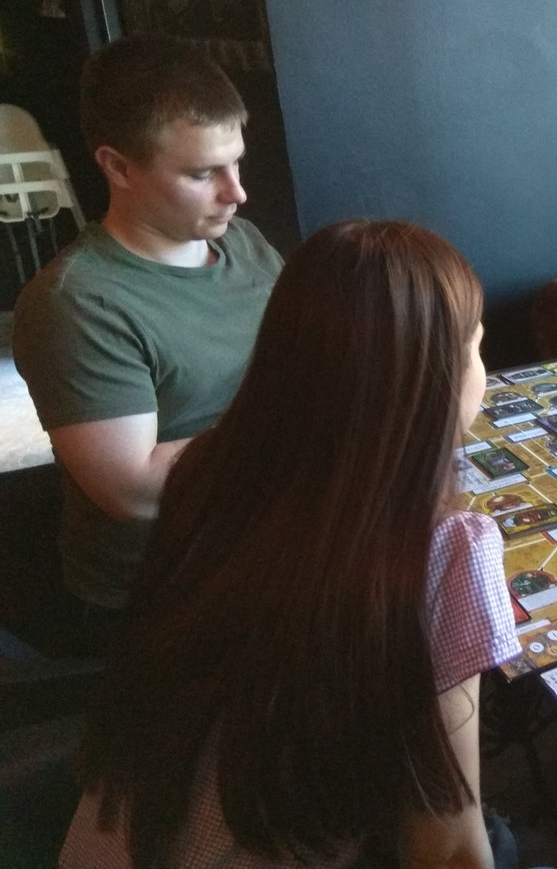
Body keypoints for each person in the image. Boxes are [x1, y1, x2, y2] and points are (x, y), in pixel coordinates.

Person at [60, 220, 521, 869]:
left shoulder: (206, 468)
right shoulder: (448, 548)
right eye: (476, 347)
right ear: (434, 375)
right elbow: (446, 847)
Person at [13, 35, 283, 636]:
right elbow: (132, 491)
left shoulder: (242, 243)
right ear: (118, 166)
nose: (236, 192)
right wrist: (305, 428)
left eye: (235, 162)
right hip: (167, 592)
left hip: (267, 537)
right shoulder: (78, 303)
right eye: (202, 173)